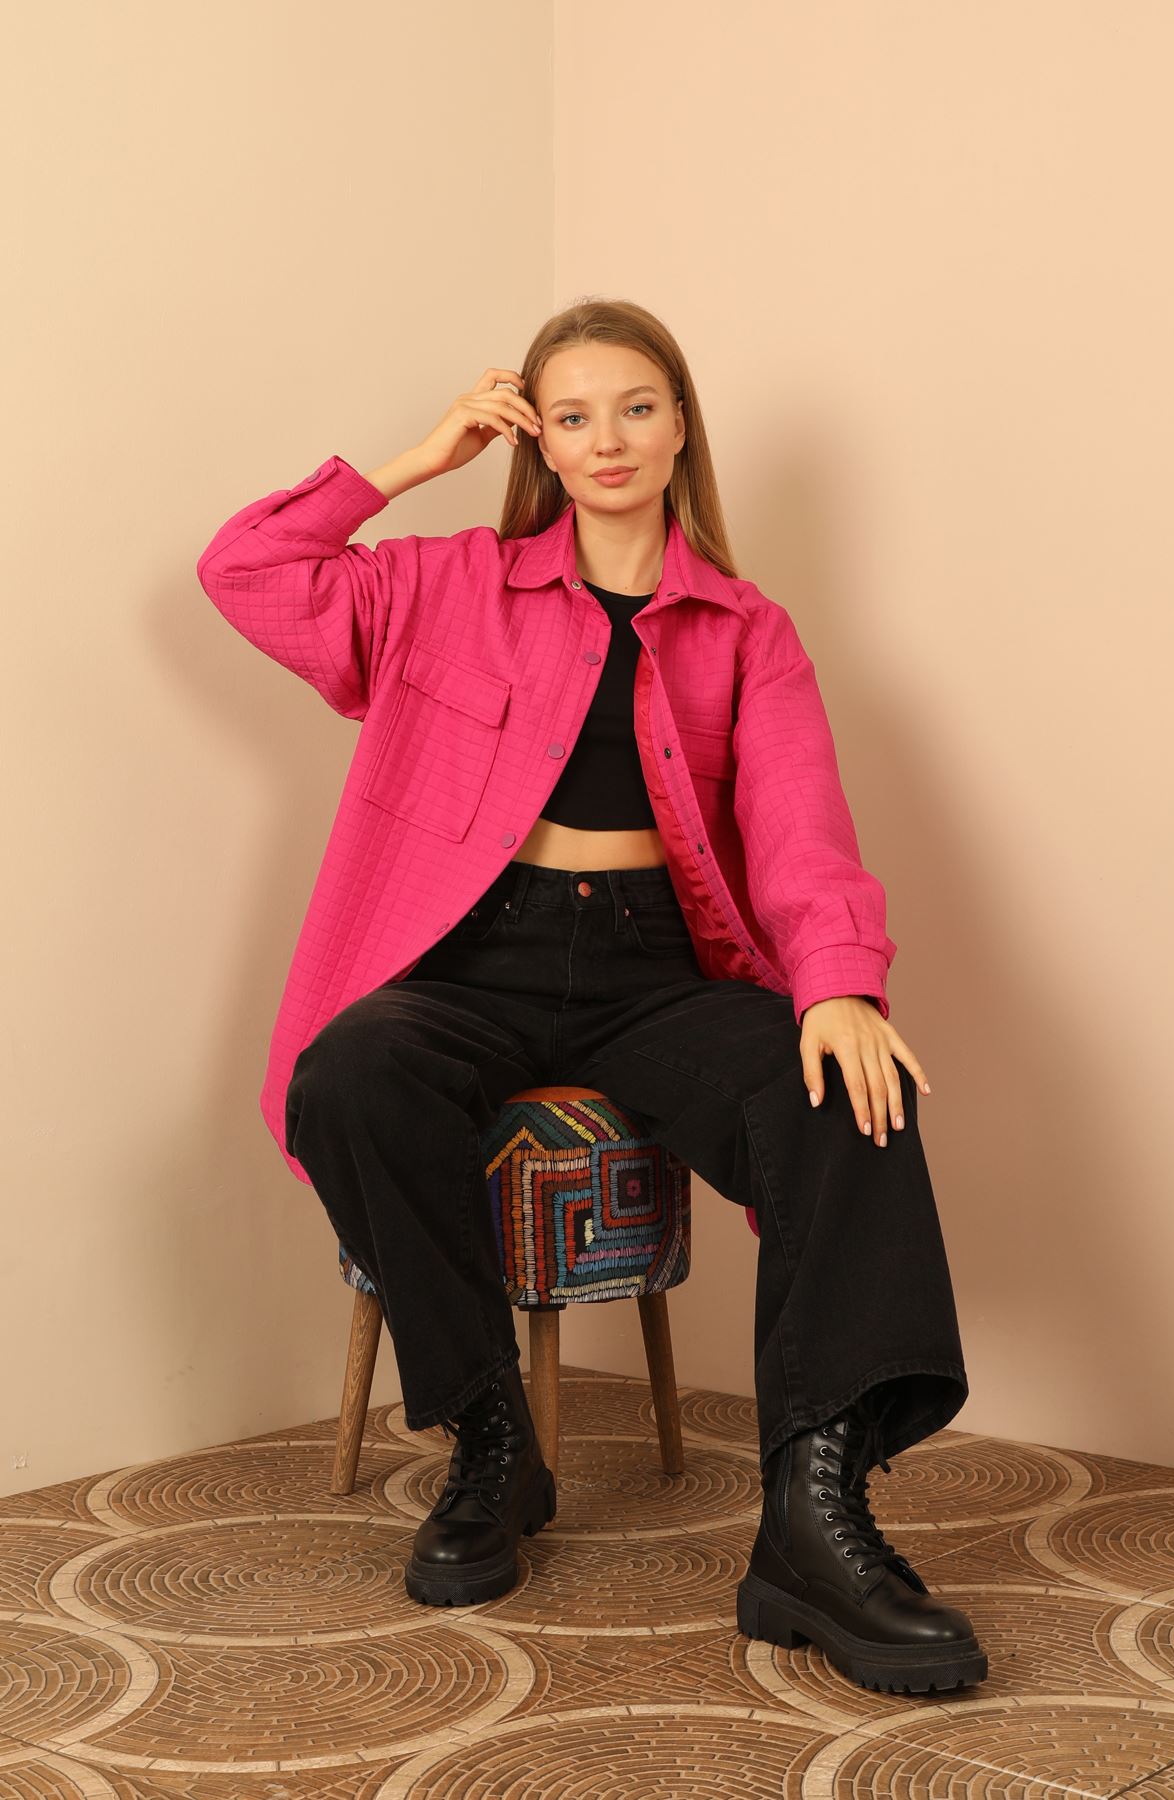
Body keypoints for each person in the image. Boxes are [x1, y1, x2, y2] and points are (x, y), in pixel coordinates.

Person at [196, 297, 986, 1694]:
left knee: (851, 1099)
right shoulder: (442, 584)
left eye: (635, 407)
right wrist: (413, 462)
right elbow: (246, 570)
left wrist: (838, 988)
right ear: (538, 442)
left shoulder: (746, 629)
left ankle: (814, 1522)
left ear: (680, 427)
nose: (607, 438)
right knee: (352, 1071)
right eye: (571, 415)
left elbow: (801, 831)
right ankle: (491, 1443)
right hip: (472, 959)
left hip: (653, 970)